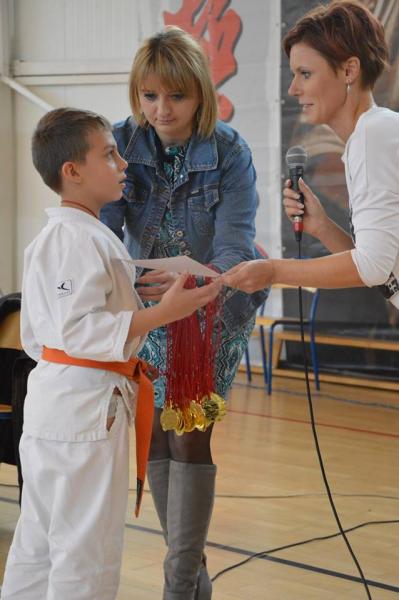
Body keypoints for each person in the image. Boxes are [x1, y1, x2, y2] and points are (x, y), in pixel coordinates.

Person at [0, 107, 220, 600]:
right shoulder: (74, 238)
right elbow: (79, 330)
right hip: (81, 410)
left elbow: (60, 326)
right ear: (71, 172)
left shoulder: (69, 236)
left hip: (58, 405)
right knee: (85, 554)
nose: (123, 164)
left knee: (39, 541)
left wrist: (149, 299)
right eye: (109, 154)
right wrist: (163, 313)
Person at [100, 26, 267, 600]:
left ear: (199, 93)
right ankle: (191, 584)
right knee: (152, 438)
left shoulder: (230, 151)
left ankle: (179, 588)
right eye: (149, 96)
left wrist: (194, 285)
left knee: (191, 436)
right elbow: (102, 233)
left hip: (210, 305)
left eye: (175, 96)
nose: (161, 109)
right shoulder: (119, 144)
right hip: (148, 304)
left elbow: (235, 246)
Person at [222, 0, 399, 315]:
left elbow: (372, 267)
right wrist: (322, 228)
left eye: (305, 74)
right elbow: (383, 270)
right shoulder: (372, 134)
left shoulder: (372, 136)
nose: (293, 89)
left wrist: (274, 270)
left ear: (349, 70)